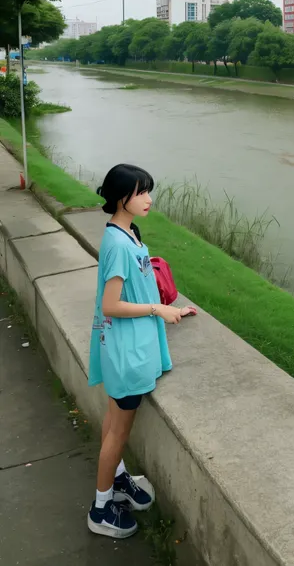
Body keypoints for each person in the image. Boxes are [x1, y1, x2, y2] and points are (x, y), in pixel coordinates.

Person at [87, 164, 188, 539]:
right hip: (127, 353)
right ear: (120, 198)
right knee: (117, 431)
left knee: (114, 424)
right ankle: (101, 508)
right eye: (141, 192)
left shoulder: (126, 231)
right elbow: (111, 304)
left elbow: (139, 283)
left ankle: (117, 479)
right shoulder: (116, 244)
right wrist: (157, 309)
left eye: (148, 191)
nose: (148, 199)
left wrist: (173, 308)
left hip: (128, 347)